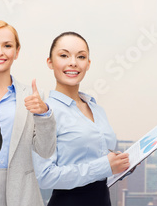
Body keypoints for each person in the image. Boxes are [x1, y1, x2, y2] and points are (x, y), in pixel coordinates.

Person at [32, 32, 130, 206]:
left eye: (81, 57)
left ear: (88, 64)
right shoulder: (46, 113)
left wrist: (121, 165)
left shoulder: (96, 108)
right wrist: (104, 166)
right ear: (50, 62)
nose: (73, 62)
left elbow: (101, 162)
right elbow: (45, 176)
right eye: (63, 55)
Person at [0, 20, 56, 206]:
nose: (0, 52)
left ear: (17, 52)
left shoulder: (33, 97)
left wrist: (44, 114)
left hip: (22, 194)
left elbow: (45, 151)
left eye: (7, 45)